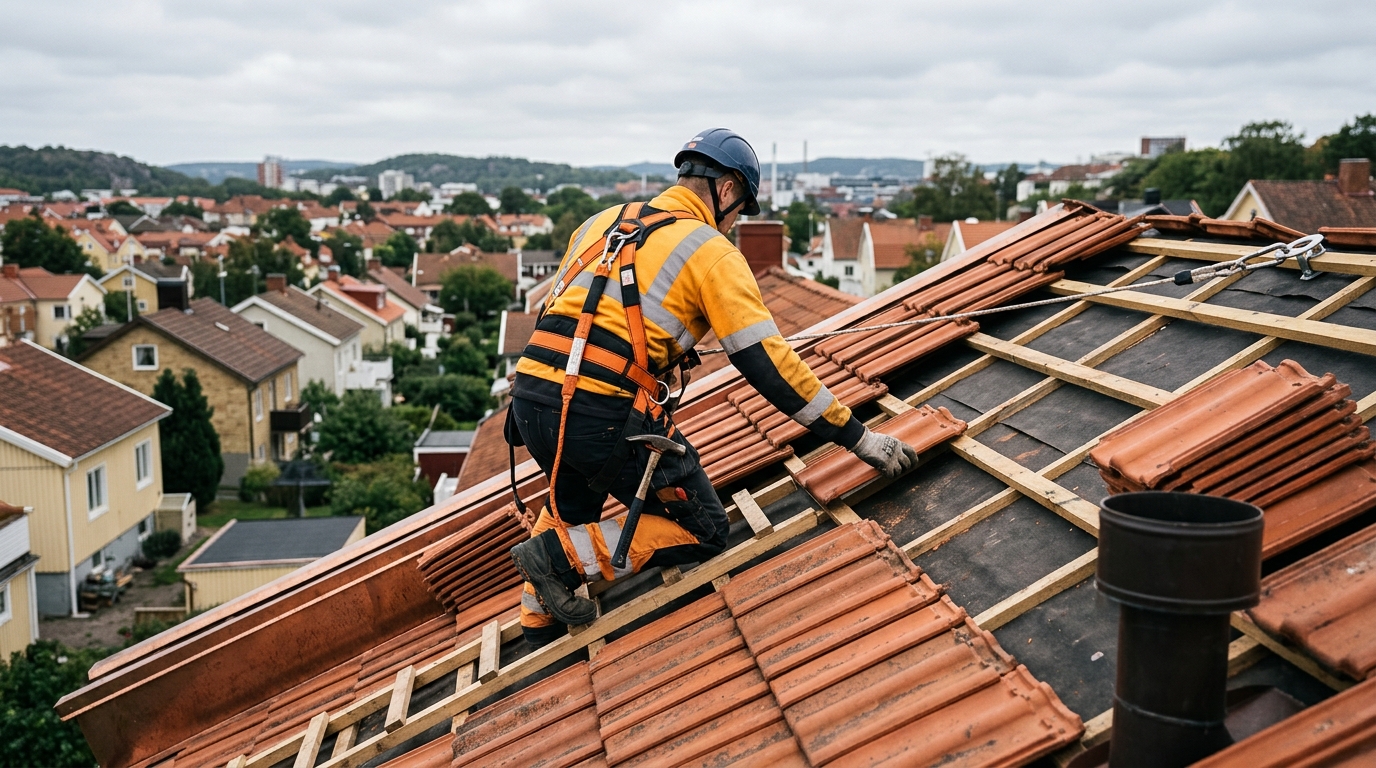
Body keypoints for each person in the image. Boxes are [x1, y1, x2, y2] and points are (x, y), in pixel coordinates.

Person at [508, 128, 917, 645]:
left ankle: (537, 624)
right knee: (704, 529)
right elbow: (768, 363)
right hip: (600, 414)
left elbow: (578, 316)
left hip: (532, 402)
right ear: (726, 191)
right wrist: (859, 437)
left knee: (574, 507)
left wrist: (669, 345)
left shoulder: (601, 222)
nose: (736, 222)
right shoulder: (710, 251)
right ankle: (556, 560)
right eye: (740, 209)